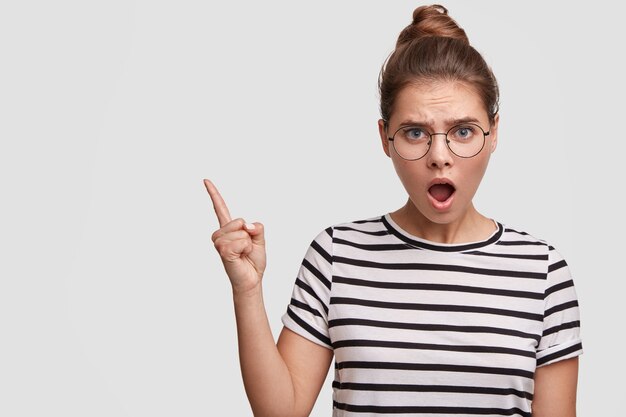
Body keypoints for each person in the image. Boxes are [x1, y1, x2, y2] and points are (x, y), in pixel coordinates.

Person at [204, 4, 582, 416]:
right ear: (385, 138)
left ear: (494, 134)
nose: (440, 156)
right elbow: (281, 412)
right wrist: (247, 291)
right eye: (415, 132)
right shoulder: (336, 255)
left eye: (463, 131)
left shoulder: (542, 271)